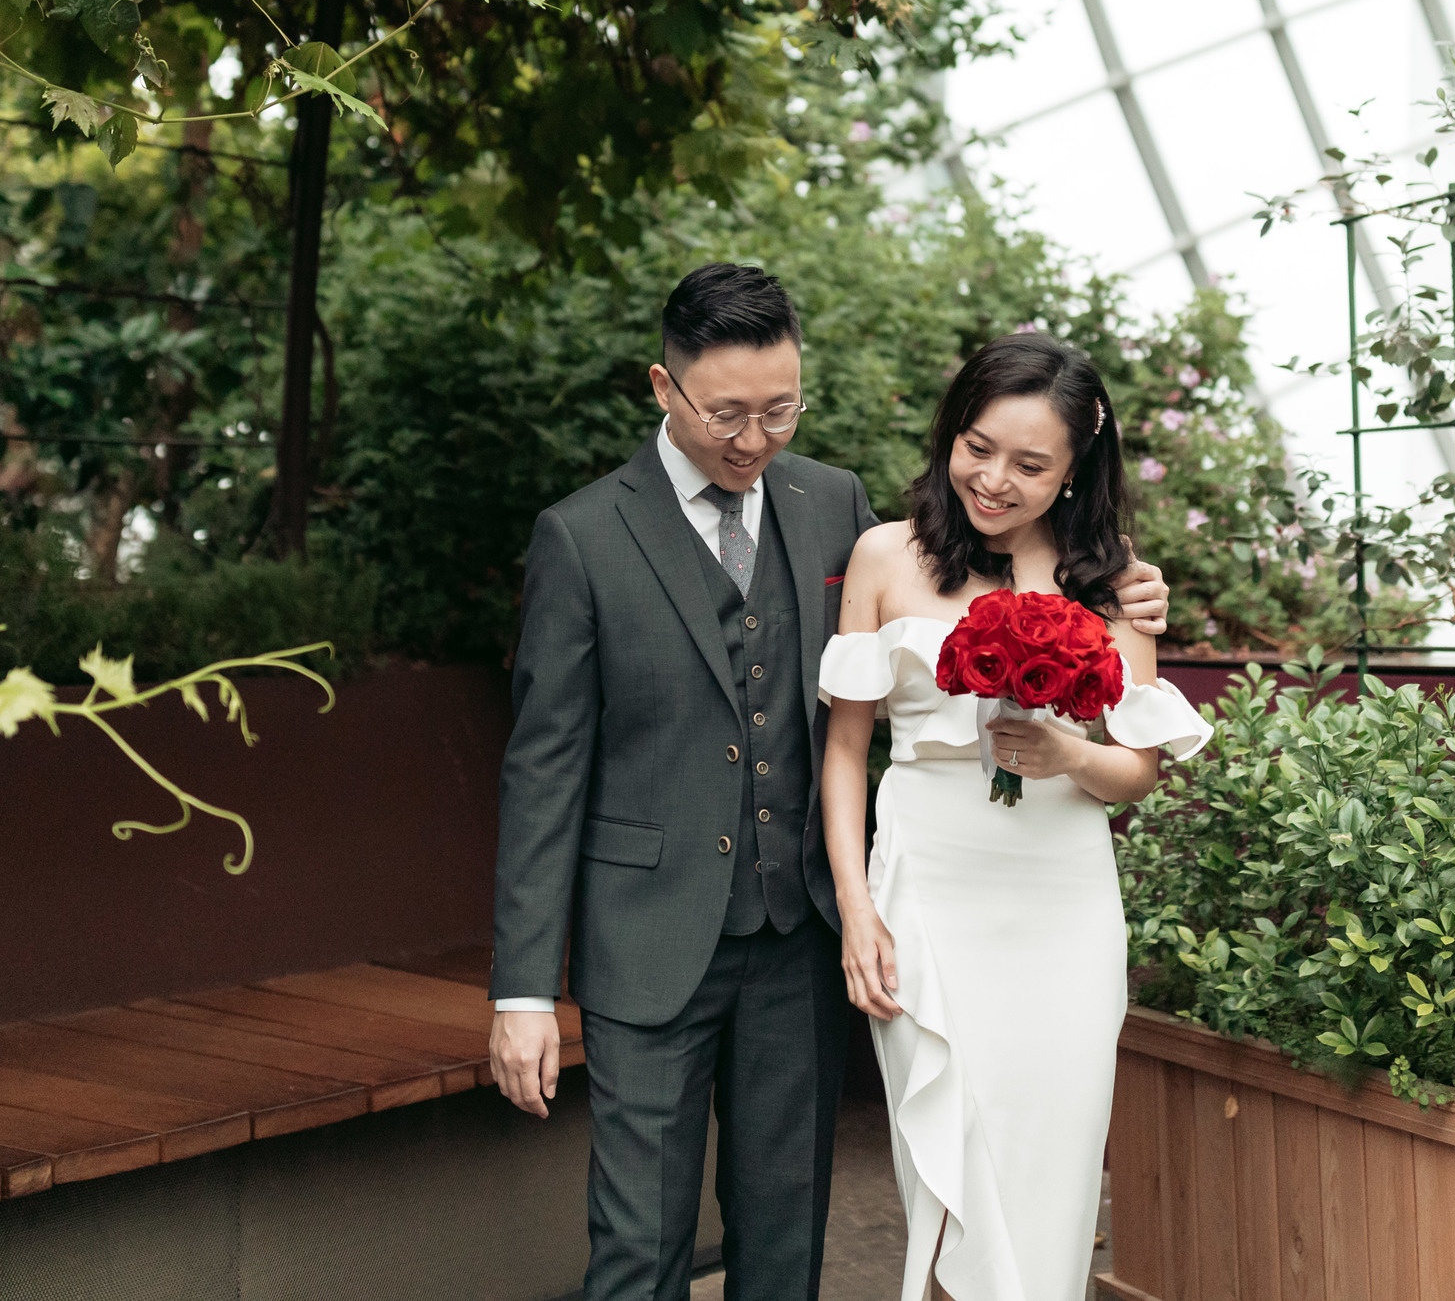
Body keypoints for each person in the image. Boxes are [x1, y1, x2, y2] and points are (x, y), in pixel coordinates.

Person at [487, 267, 1172, 1301]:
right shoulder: (581, 536)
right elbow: (544, 769)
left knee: (784, 1244)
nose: (753, 438)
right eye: (725, 412)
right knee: (638, 1244)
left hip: (795, 937)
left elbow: (840, 712)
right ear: (662, 388)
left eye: (779, 409)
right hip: (646, 933)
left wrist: (1115, 610)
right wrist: (524, 990)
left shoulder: (832, 505)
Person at [819, 331, 1212, 1301]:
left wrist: (1069, 755)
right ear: (951, 433)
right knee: (946, 1172)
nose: (994, 480)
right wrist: (857, 910)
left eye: (1031, 464)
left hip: (1063, 904)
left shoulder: (1113, 578)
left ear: (1077, 469)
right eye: (977, 447)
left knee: (1050, 1170)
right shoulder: (883, 557)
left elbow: (1138, 770)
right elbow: (844, 750)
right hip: (926, 894)